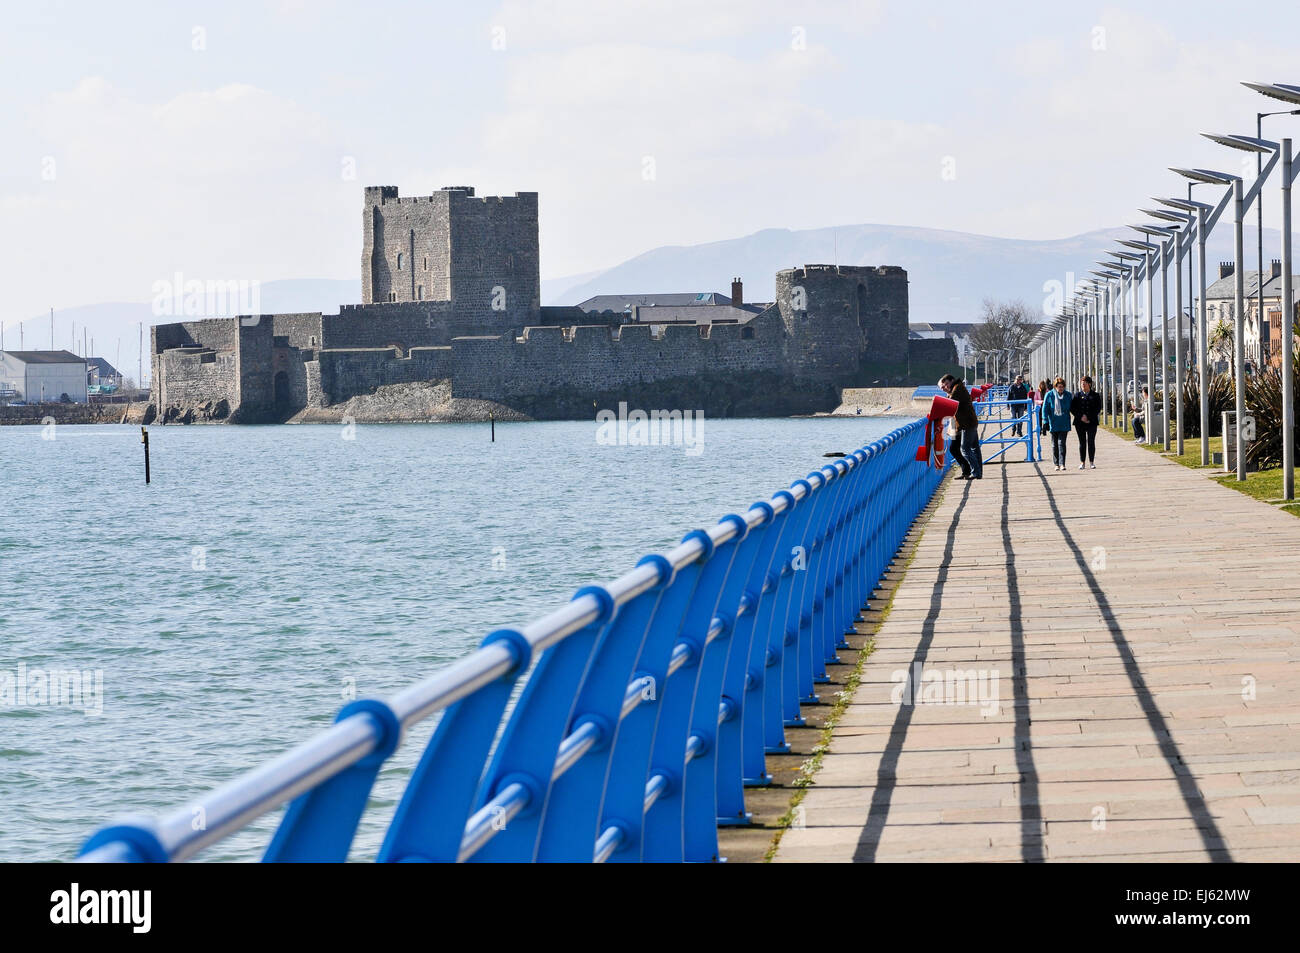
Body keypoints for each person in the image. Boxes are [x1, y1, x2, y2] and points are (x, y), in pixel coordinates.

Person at [938, 373, 982, 480]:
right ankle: (967, 471)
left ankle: (976, 473)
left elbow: (950, 404)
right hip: (959, 424)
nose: (944, 388)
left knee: (965, 449)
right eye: (942, 387)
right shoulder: (953, 390)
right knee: (956, 448)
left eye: (945, 385)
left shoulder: (957, 389)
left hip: (967, 423)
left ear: (952, 380)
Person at [1072, 375, 1102, 469]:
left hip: (1091, 421)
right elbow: (1073, 408)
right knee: (1082, 442)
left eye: (1084, 383)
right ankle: (1082, 462)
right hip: (1079, 422)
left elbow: (1098, 408)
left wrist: (1088, 417)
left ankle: (1091, 462)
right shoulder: (1077, 395)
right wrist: (1081, 416)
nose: (1083, 385)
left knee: (1091, 441)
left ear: (1089, 384)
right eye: (1081, 383)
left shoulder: (1095, 395)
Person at [1043, 377, 1072, 470]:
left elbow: (1073, 407)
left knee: (1062, 443)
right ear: (1055, 387)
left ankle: (1062, 463)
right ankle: (1056, 464)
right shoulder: (1049, 395)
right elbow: (1045, 409)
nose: (1061, 389)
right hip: (1053, 422)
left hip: (1064, 422)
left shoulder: (1068, 395)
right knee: (1054, 444)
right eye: (1059, 387)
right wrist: (1045, 421)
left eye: (1062, 387)